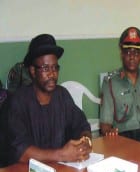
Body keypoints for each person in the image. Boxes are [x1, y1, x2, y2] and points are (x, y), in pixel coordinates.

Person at [5, 34, 92, 165]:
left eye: (55, 67)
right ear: (33, 71)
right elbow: (21, 152)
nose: (52, 74)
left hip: (60, 170)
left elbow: (81, 125)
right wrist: (62, 154)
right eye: (46, 68)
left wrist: (85, 142)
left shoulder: (62, 95)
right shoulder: (17, 102)